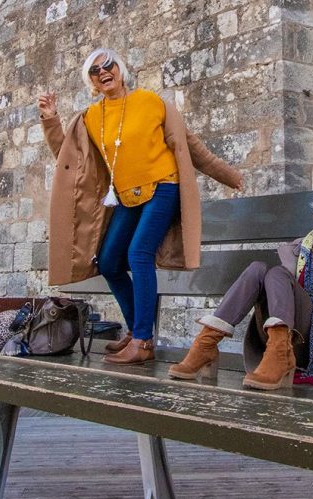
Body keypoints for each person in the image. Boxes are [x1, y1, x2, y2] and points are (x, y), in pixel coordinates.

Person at [37, 48, 243, 365]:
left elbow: (191, 146)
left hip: (164, 186)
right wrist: (51, 119)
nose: (104, 72)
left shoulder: (150, 102)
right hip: (126, 196)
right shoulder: (91, 118)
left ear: (120, 69)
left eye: (109, 65)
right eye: (95, 70)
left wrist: (229, 175)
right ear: (91, 81)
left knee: (138, 253)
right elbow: (70, 160)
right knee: (108, 261)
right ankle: (137, 331)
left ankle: (144, 341)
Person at [169, 182, 313, 389]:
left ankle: (279, 355)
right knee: (258, 268)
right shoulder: (302, 246)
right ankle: (206, 344)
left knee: (276, 273)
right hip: (293, 332)